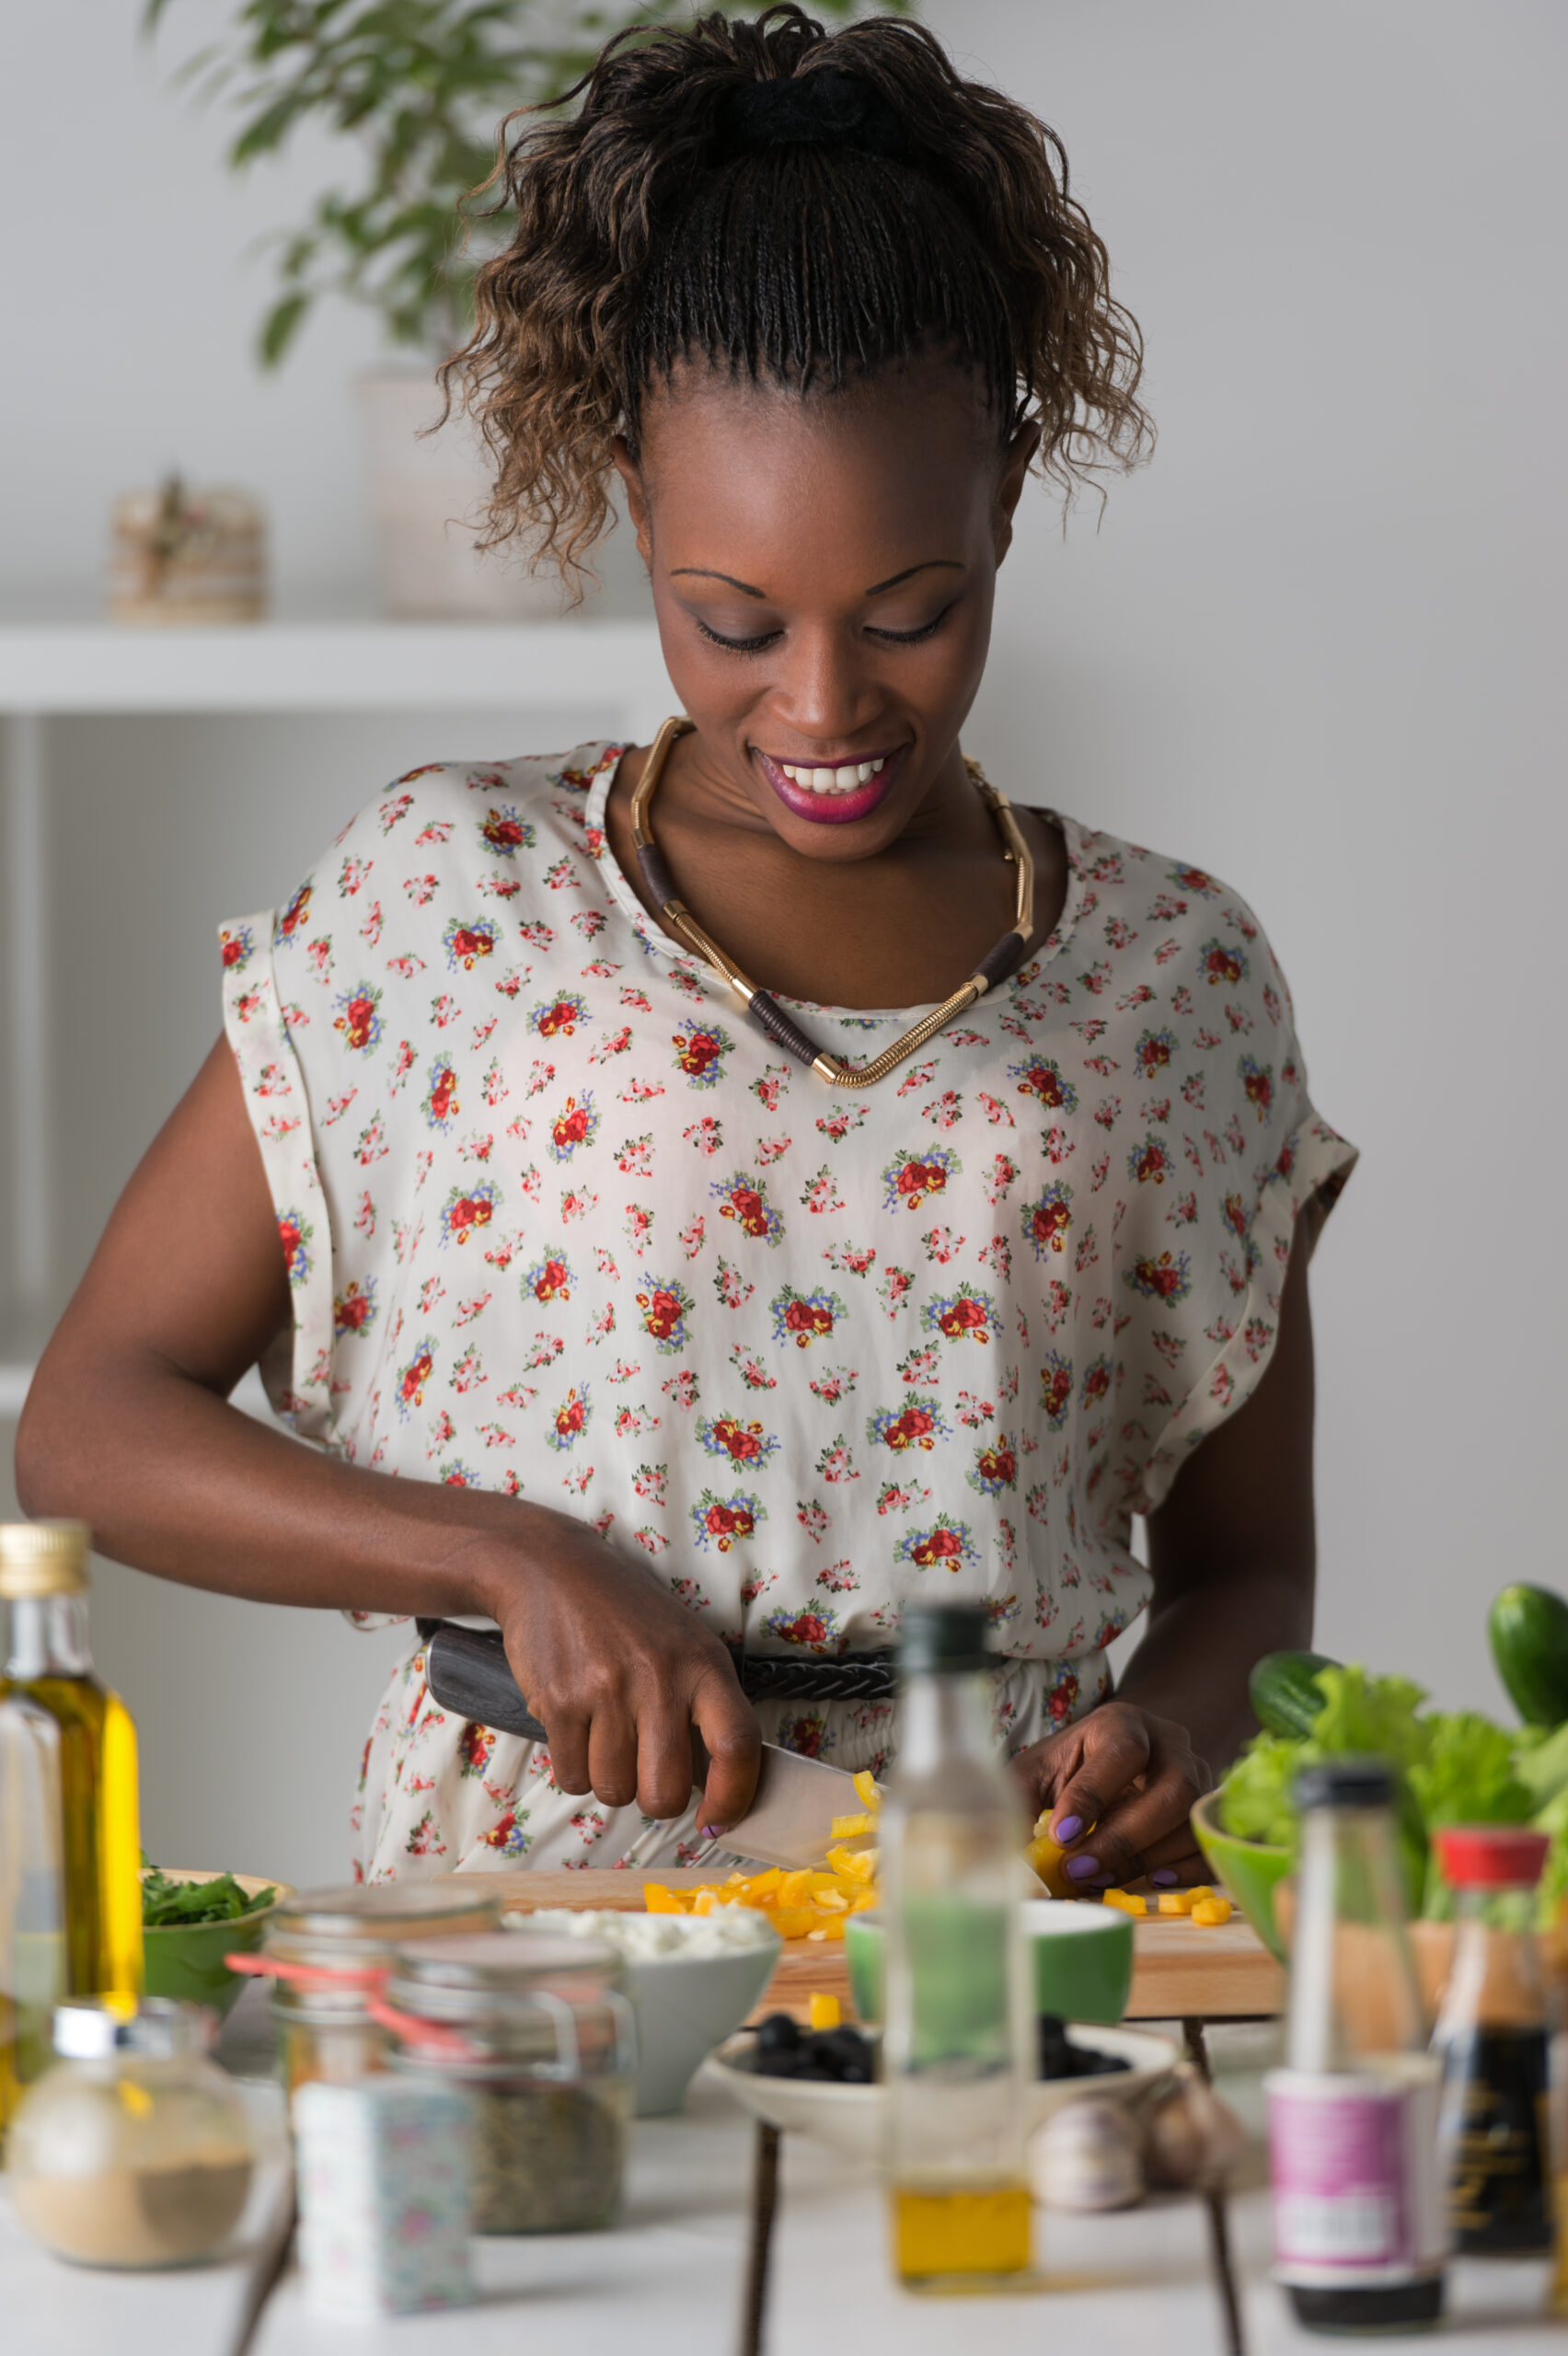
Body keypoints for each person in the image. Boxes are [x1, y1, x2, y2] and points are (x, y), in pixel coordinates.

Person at [16, 6, 1355, 1887]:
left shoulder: (1179, 972)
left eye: (913, 611)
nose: (822, 704)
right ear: (639, 508)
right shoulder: (449, 891)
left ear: (1010, 497)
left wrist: (1177, 1731)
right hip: (543, 1927)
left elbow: (1248, 1568)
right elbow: (85, 1427)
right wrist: (502, 1553)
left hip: (998, 1911)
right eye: (729, 618)